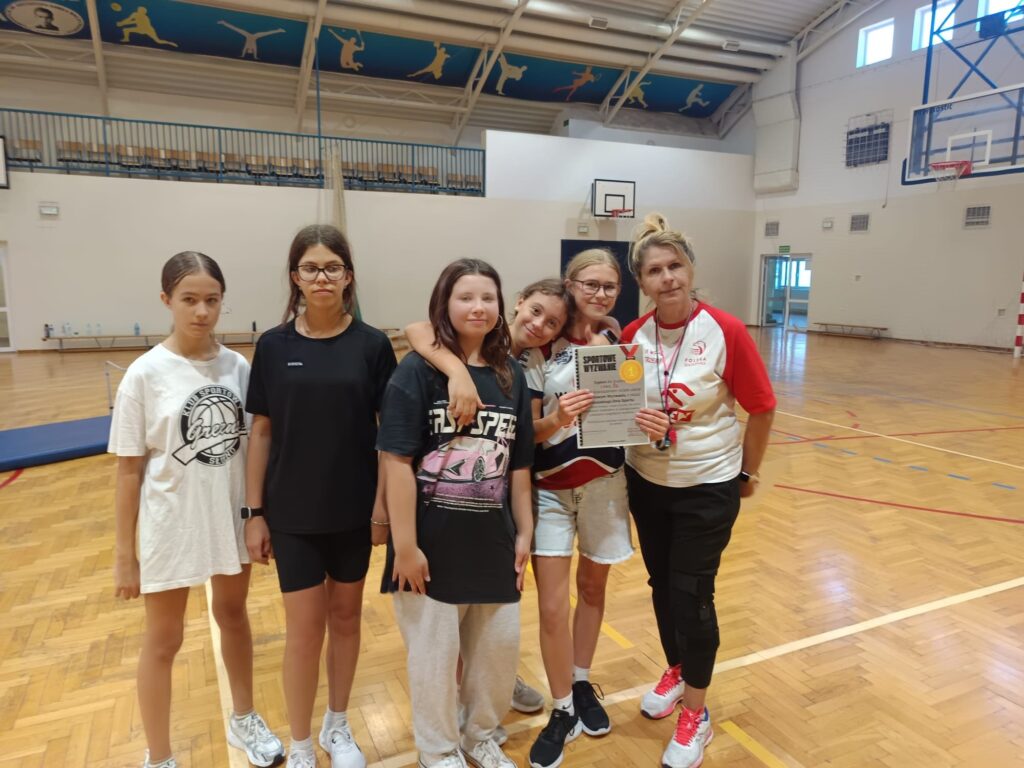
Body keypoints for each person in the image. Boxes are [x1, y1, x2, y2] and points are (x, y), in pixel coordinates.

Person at [110, 252, 283, 768]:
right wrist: (124, 555)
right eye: (189, 299)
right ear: (167, 300)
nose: (202, 311)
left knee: (234, 616)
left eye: (212, 300)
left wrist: (256, 514)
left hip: (227, 517)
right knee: (164, 639)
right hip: (170, 525)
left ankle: (244, 717)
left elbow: (255, 446)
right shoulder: (144, 375)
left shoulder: (238, 368)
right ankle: (159, 755)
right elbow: (127, 472)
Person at [620, 213, 776, 768]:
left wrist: (747, 473)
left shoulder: (725, 330)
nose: (667, 278)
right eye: (654, 270)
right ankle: (678, 668)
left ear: (690, 270)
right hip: (648, 483)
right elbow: (622, 408)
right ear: (642, 281)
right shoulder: (632, 336)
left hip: (707, 485)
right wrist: (635, 421)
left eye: (675, 266)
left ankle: (697, 714)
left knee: (692, 594)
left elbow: (762, 407)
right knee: (662, 587)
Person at [244, 225, 397, 768]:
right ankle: (302, 743)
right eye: (311, 268)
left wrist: (382, 508)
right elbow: (261, 431)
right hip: (292, 515)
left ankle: (337, 724)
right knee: (304, 631)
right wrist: (254, 512)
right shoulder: (273, 346)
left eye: (333, 267)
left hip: (354, 510)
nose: (322, 277)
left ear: (348, 276)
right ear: (295, 277)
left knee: (347, 620)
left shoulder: (373, 345)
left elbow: (389, 436)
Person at [377, 258, 535, 768]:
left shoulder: (511, 376)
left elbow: (519, 465)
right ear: (444, 303)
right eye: (465, 297)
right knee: (433, 660)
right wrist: (405, 546)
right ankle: (438, 750)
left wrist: (525, 531)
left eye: (488, 297)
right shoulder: (416, 372)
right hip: (430, 546)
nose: (478, 307)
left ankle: (479, 735)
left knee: (496, 653)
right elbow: (396, 462)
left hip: (493, 543)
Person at [403, 278, 570, 726]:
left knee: (488, 615)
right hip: (446, 503)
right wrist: (456, 371)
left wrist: (557, 419)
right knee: (451, 611)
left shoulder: (528, 363)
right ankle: (458, 701)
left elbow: (523, 435)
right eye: (535, 311)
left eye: (552, 323)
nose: (539, 324)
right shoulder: (475, 336)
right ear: (517, 302)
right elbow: (417, 329)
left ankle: (490, 683)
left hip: (499, 490)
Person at [526, 249, 669, 768]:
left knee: (592, 590)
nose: (600, 294)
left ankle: (581, 681)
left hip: (606, 485)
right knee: (550, 606)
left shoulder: (620, 342)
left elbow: (637, 413)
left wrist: (655, 426)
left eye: (610, 286)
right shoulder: (541, 343)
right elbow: (530, 432)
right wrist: (558, 419)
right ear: (570, 284)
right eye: (590, 284)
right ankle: (561, 707)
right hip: (549, 489)